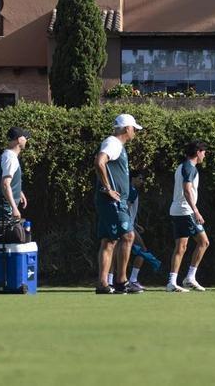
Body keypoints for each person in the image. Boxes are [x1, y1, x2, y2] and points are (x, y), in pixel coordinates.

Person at [95, 113, 143, 294]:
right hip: (113, 201)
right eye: (134, 129)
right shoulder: (113, 143)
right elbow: (100, 161)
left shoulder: (116, 144)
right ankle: (121, 281)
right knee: (128, 236)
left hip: (112, 201)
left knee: (109, 240)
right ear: (127, 128)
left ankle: (103, 284)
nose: (135, 132)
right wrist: (108, 188)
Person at [167, 140, 209, 292]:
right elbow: (186, 190)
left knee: (181, 247)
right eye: (203, 152)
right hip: (185, 211)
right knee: (204, 242)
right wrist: (196, 211)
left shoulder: (182, 166)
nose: (204, 155)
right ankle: (189, 278)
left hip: (178, 210)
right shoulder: (190, 168)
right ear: (198, 152)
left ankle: (173, 282)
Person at [0, 127, 29, 223]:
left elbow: (8, 181)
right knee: (5, 232)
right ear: (19, 140)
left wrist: (18, 191)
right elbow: (5, 184)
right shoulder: (10, 158)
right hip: (5, 208)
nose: (26, 140)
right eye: (25, 138)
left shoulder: (9, 156)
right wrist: (14, 208)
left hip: (5, 206)